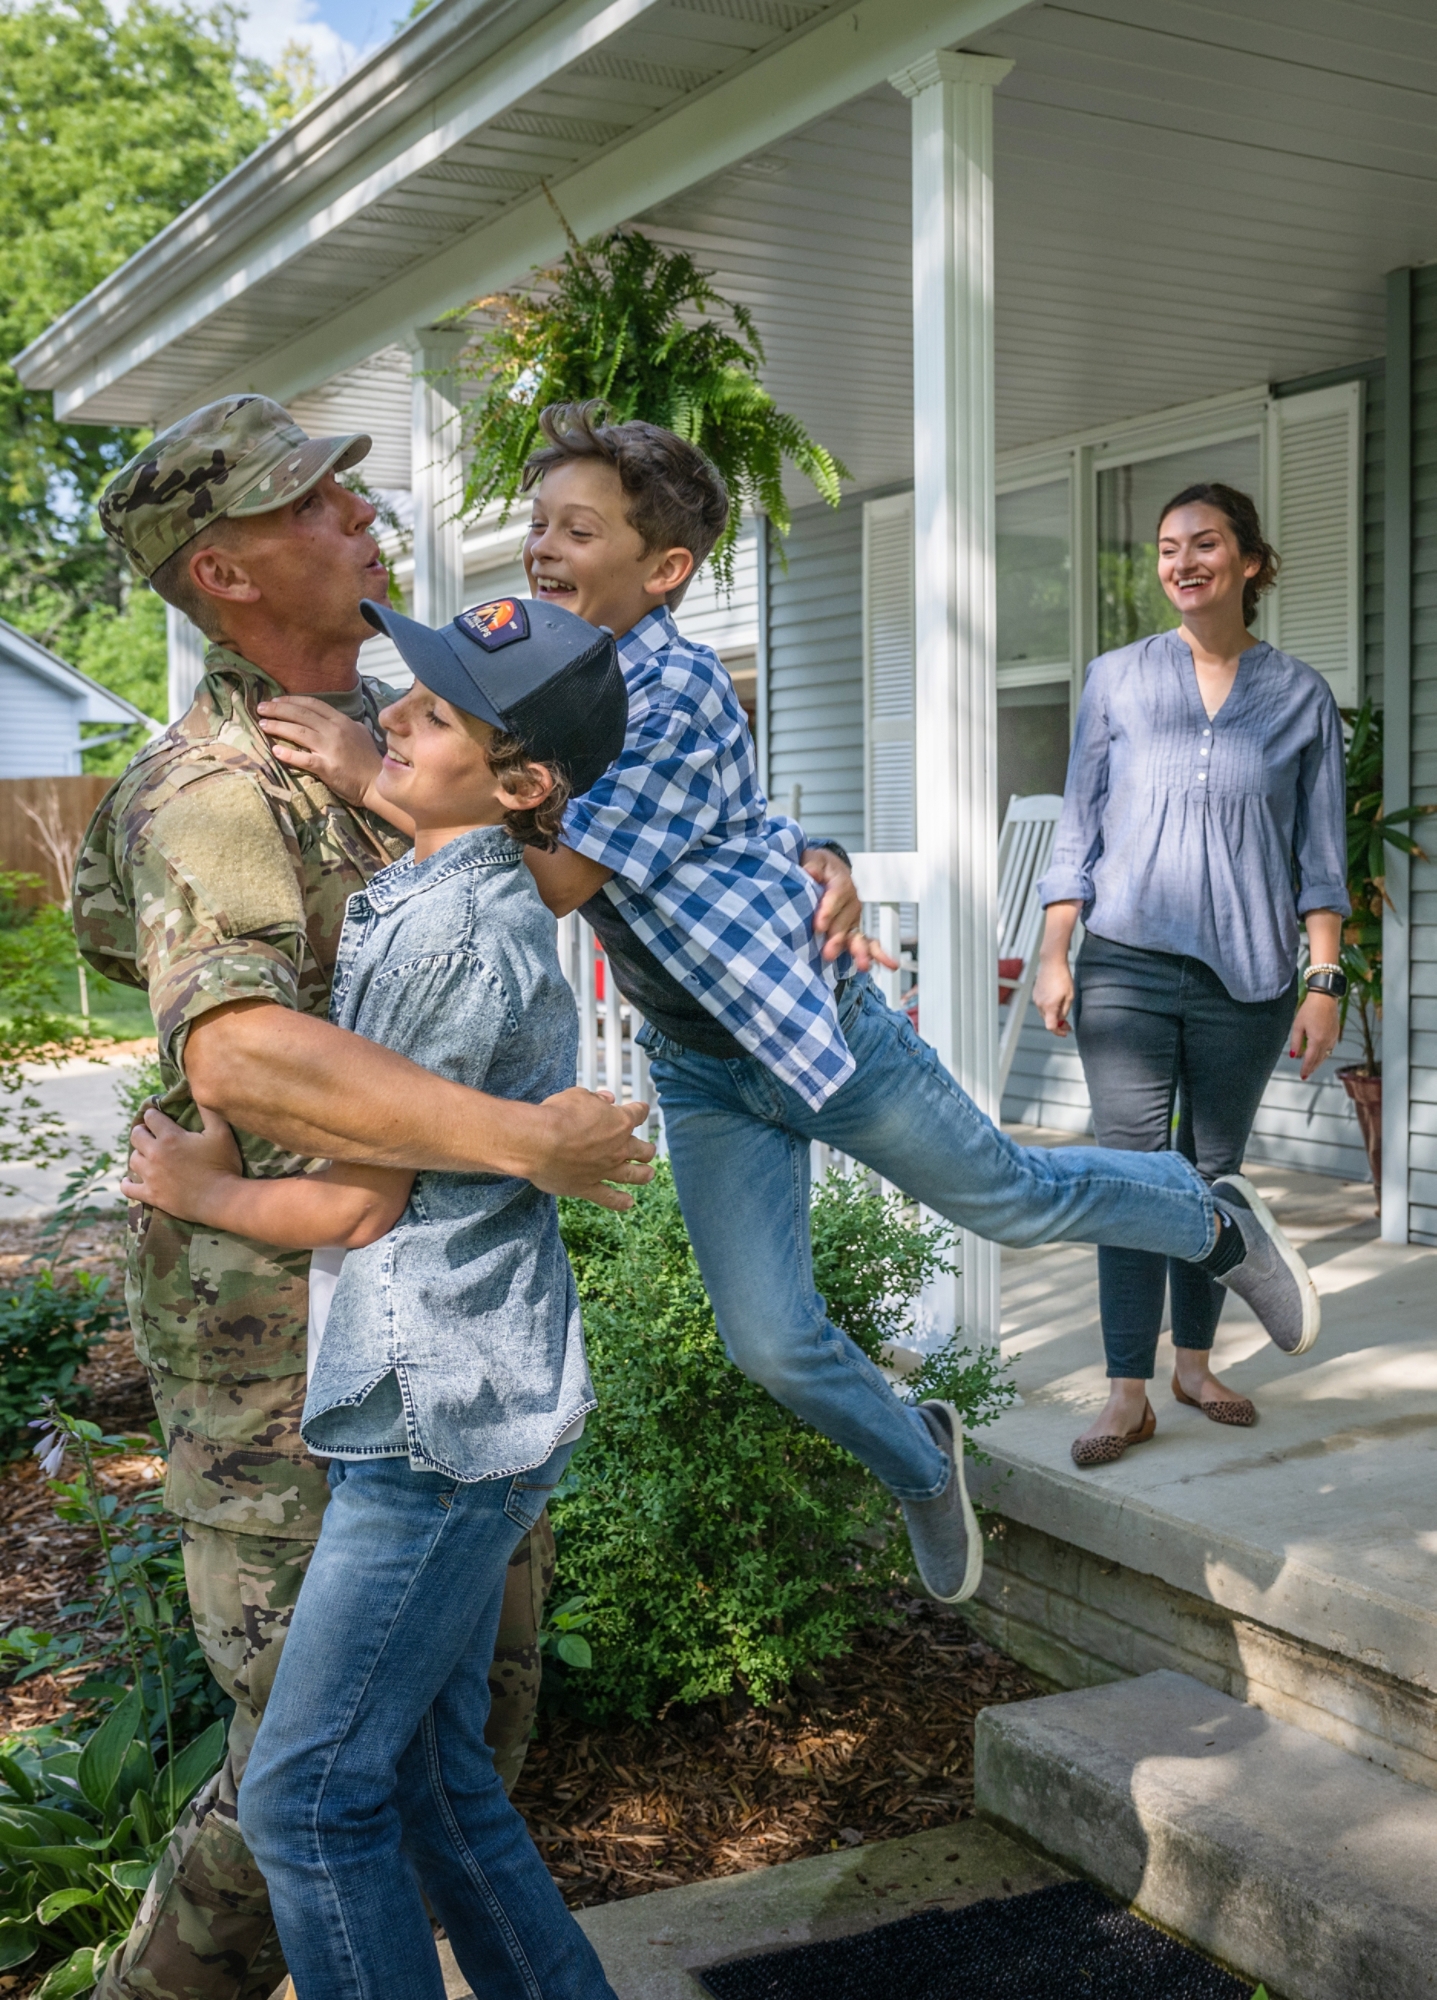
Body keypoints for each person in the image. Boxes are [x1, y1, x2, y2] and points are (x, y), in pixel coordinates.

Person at [263, 403, 1322, 1615]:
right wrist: (809, 846)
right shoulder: (525, 673)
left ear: (664, 570)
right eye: (539, 523)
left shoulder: (667, 690)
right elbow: (530, 761)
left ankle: (1209, 1213)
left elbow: (550, 876)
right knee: (769, 1340)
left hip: (814, 1028)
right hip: (705, 1062)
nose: (544, 548)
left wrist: (362, 769)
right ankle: (922, 1453)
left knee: (1013, 1200)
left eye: (579, 528)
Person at [77, 396, 655, 2000]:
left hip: (426, 1351)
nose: (361, 509)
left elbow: (560, 825)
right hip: (283, 1366)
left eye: (346, 481)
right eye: (313, 500)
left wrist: (788, 861)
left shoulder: (414, 735)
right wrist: (529, 1139)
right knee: (303, 1788)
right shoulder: (213, 792)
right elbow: (246, 1062)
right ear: (225, 571)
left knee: (448, 1754)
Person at [1032, 482, 1348, 1466]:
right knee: (1132, 1179)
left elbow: (1321, 855)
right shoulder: (1117, 679)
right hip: (1124, 962)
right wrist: (1054, 948)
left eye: (1204, 544)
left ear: (1249, 562)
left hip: (1249, 980)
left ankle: (1197, 1365)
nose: (1181, 562)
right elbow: (1078, 826)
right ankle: (1127, 1390)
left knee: (1215, 1181)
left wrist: (1325, 978)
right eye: (1168, 547)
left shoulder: (1299, 697)